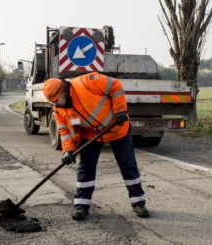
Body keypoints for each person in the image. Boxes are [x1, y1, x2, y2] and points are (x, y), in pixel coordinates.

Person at [43, 72, 149, 220]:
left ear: (63, 92)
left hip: (117, 128)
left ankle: (138, 203)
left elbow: (115, 85)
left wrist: (120, 110)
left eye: (56, 100)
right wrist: (67, 151)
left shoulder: (86, 82)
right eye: (52, 102)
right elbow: (65, 132)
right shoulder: (58, 109)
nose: (55, 104)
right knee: (86, 167)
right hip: (91, 135)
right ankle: (81, 206)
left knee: (128, 164)